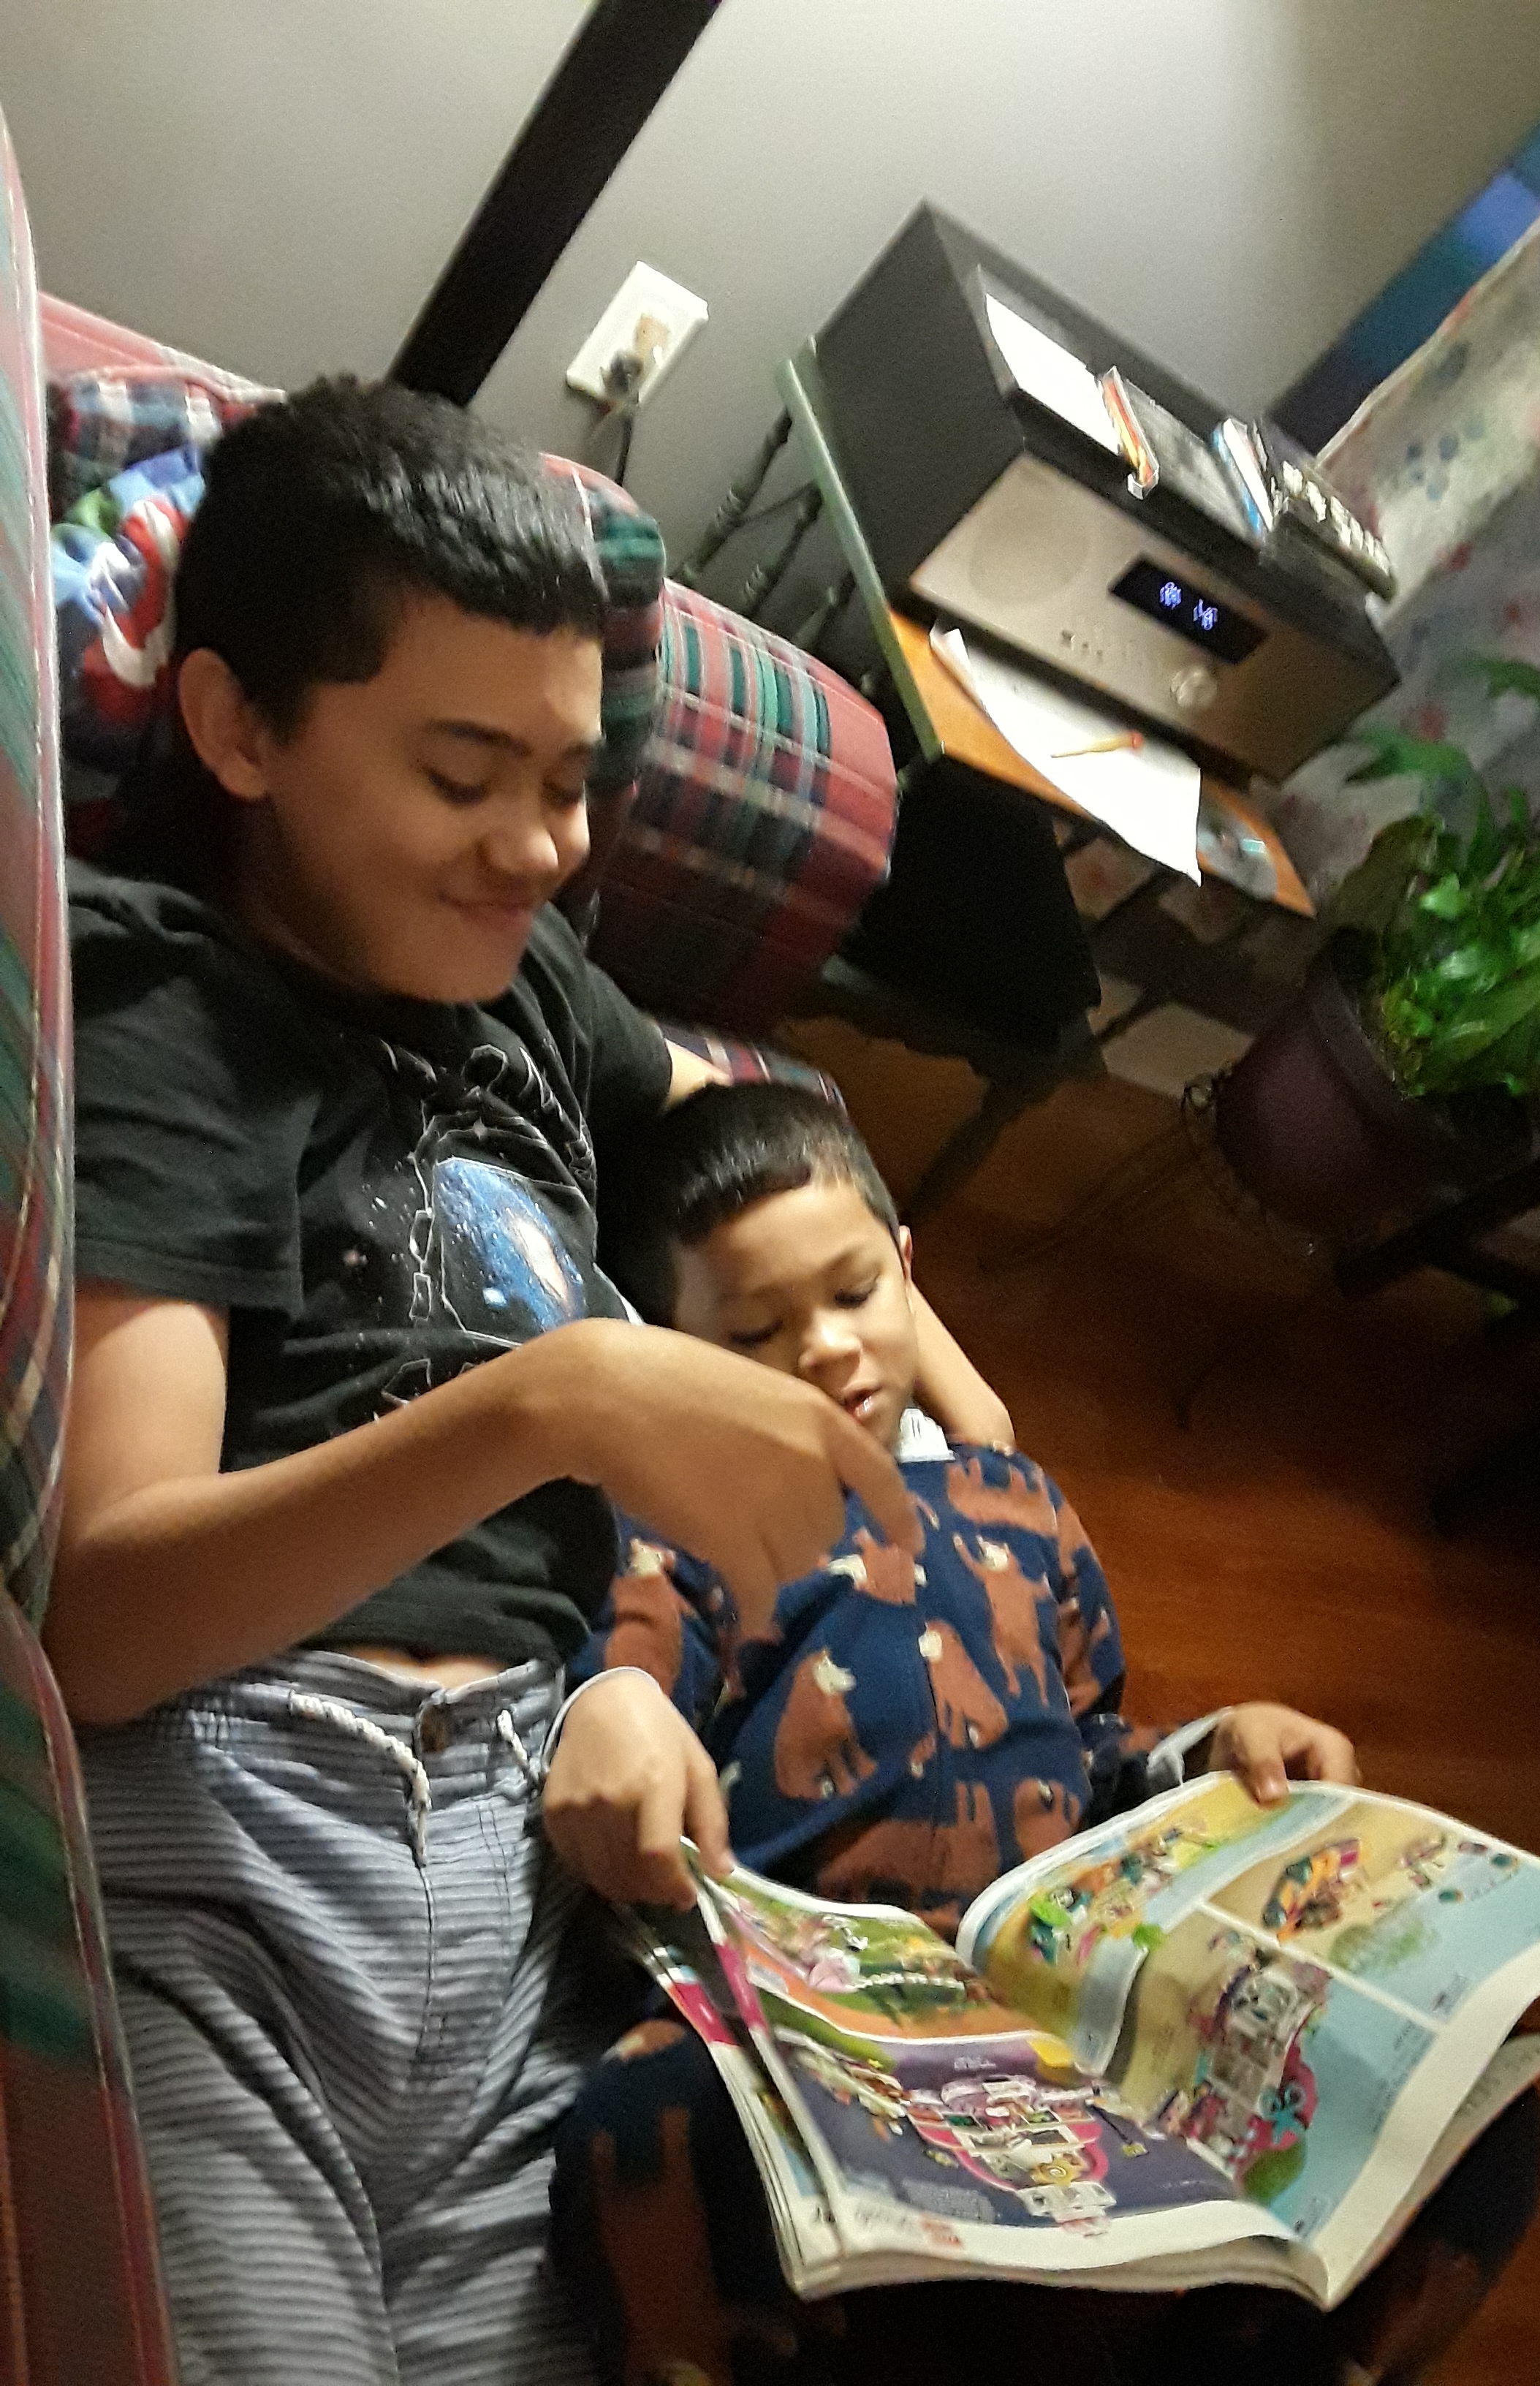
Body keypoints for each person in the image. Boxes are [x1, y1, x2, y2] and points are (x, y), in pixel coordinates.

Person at [51, 377, 1018, 2386]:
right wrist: (558, 1400)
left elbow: (764, 1138)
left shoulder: (533, 985)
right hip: (242, 1842)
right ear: (238, 730)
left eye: (574, 783)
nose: (539, 849)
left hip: (544, 1860)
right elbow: (105, 1620)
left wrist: (937, 1362)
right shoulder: (170, 1009)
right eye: (464, 774)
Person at [547, 1085, 1540, 2386]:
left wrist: (1213, 1752)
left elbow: (1095, 1747)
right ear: (676, 1351)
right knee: (639, 2126)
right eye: (755, 1333)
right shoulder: (681, 1524)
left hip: (1072, 2024)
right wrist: (611, 1703)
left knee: (1483, 2115)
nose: (830, 1351)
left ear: (909, 1270)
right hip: (830, 2046)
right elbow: (625, 1682)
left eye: (855, 1293)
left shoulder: (1017, 1500)